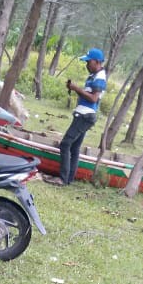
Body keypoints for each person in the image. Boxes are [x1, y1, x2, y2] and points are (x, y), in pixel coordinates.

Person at [56, 47, 107, 185]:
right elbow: (88, 96)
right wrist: (76, 89)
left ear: (97, 62)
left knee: (65, 144)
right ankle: (68, 179)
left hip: (85, 116)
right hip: (84, 114)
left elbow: (94, 99)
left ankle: (62, 178)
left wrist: (76, 88)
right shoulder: (94, 75)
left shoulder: (100, 77)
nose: (86, 65)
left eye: (88, 62)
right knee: (74, 147)